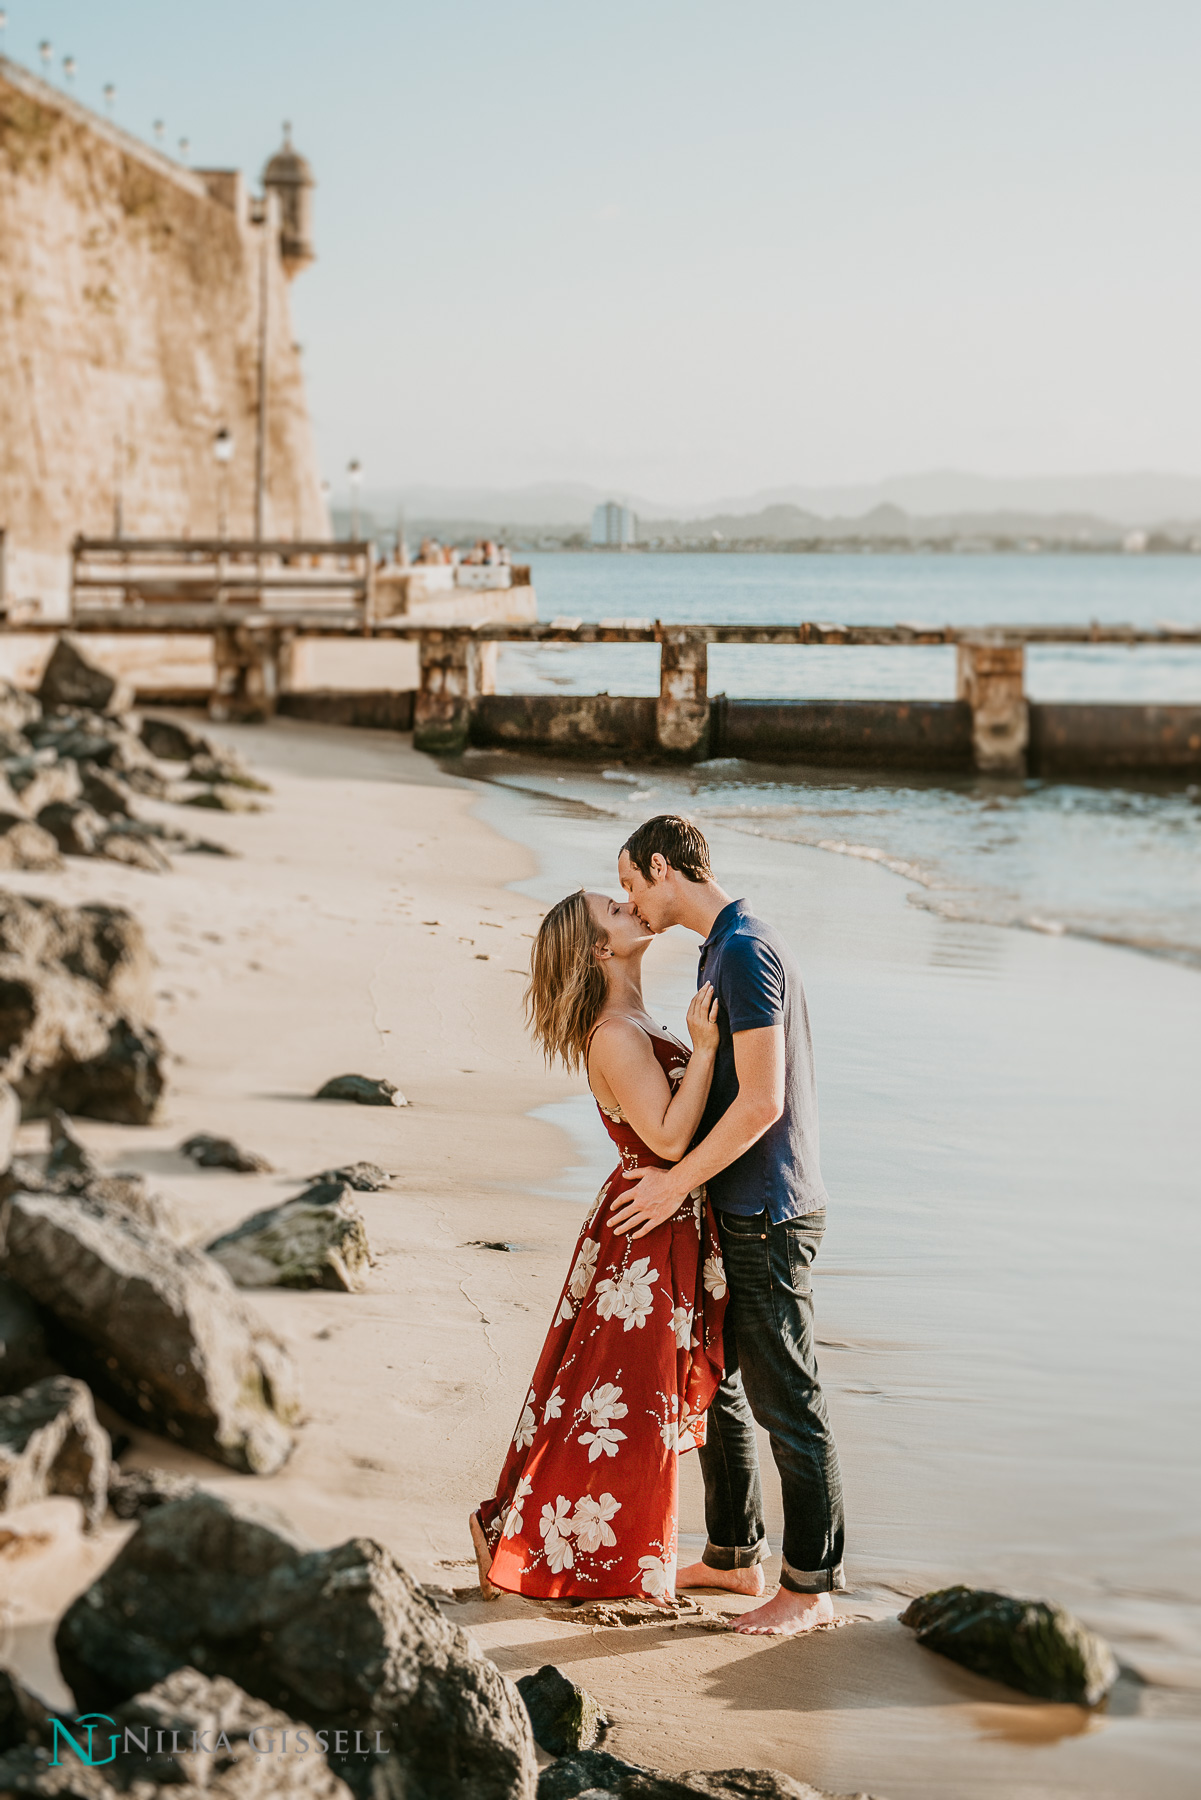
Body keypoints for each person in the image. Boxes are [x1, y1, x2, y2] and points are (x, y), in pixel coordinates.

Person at [613, 815, 845, 1637]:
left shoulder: (743, 949)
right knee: (721, 1388)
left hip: (768, 1214)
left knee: (789, 1399)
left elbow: (761, 1100)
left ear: (661, 866)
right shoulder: (727, 944)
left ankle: (810, 1586)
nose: (628, 902)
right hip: (740, 1207)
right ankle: (732, 1552)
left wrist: (674, 1182)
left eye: (631, 884)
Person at [472, 888, 727, 1602]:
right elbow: (670, 1138)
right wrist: (704, 1049)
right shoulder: (614, 1032)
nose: (629, 906)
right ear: (598, 950)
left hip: (659, 1220)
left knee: (600, 1400)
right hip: (645, 1237)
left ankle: (520, 1533)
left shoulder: (634, 1018)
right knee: (623, 1408)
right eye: (613, 910)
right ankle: (564, 1554)